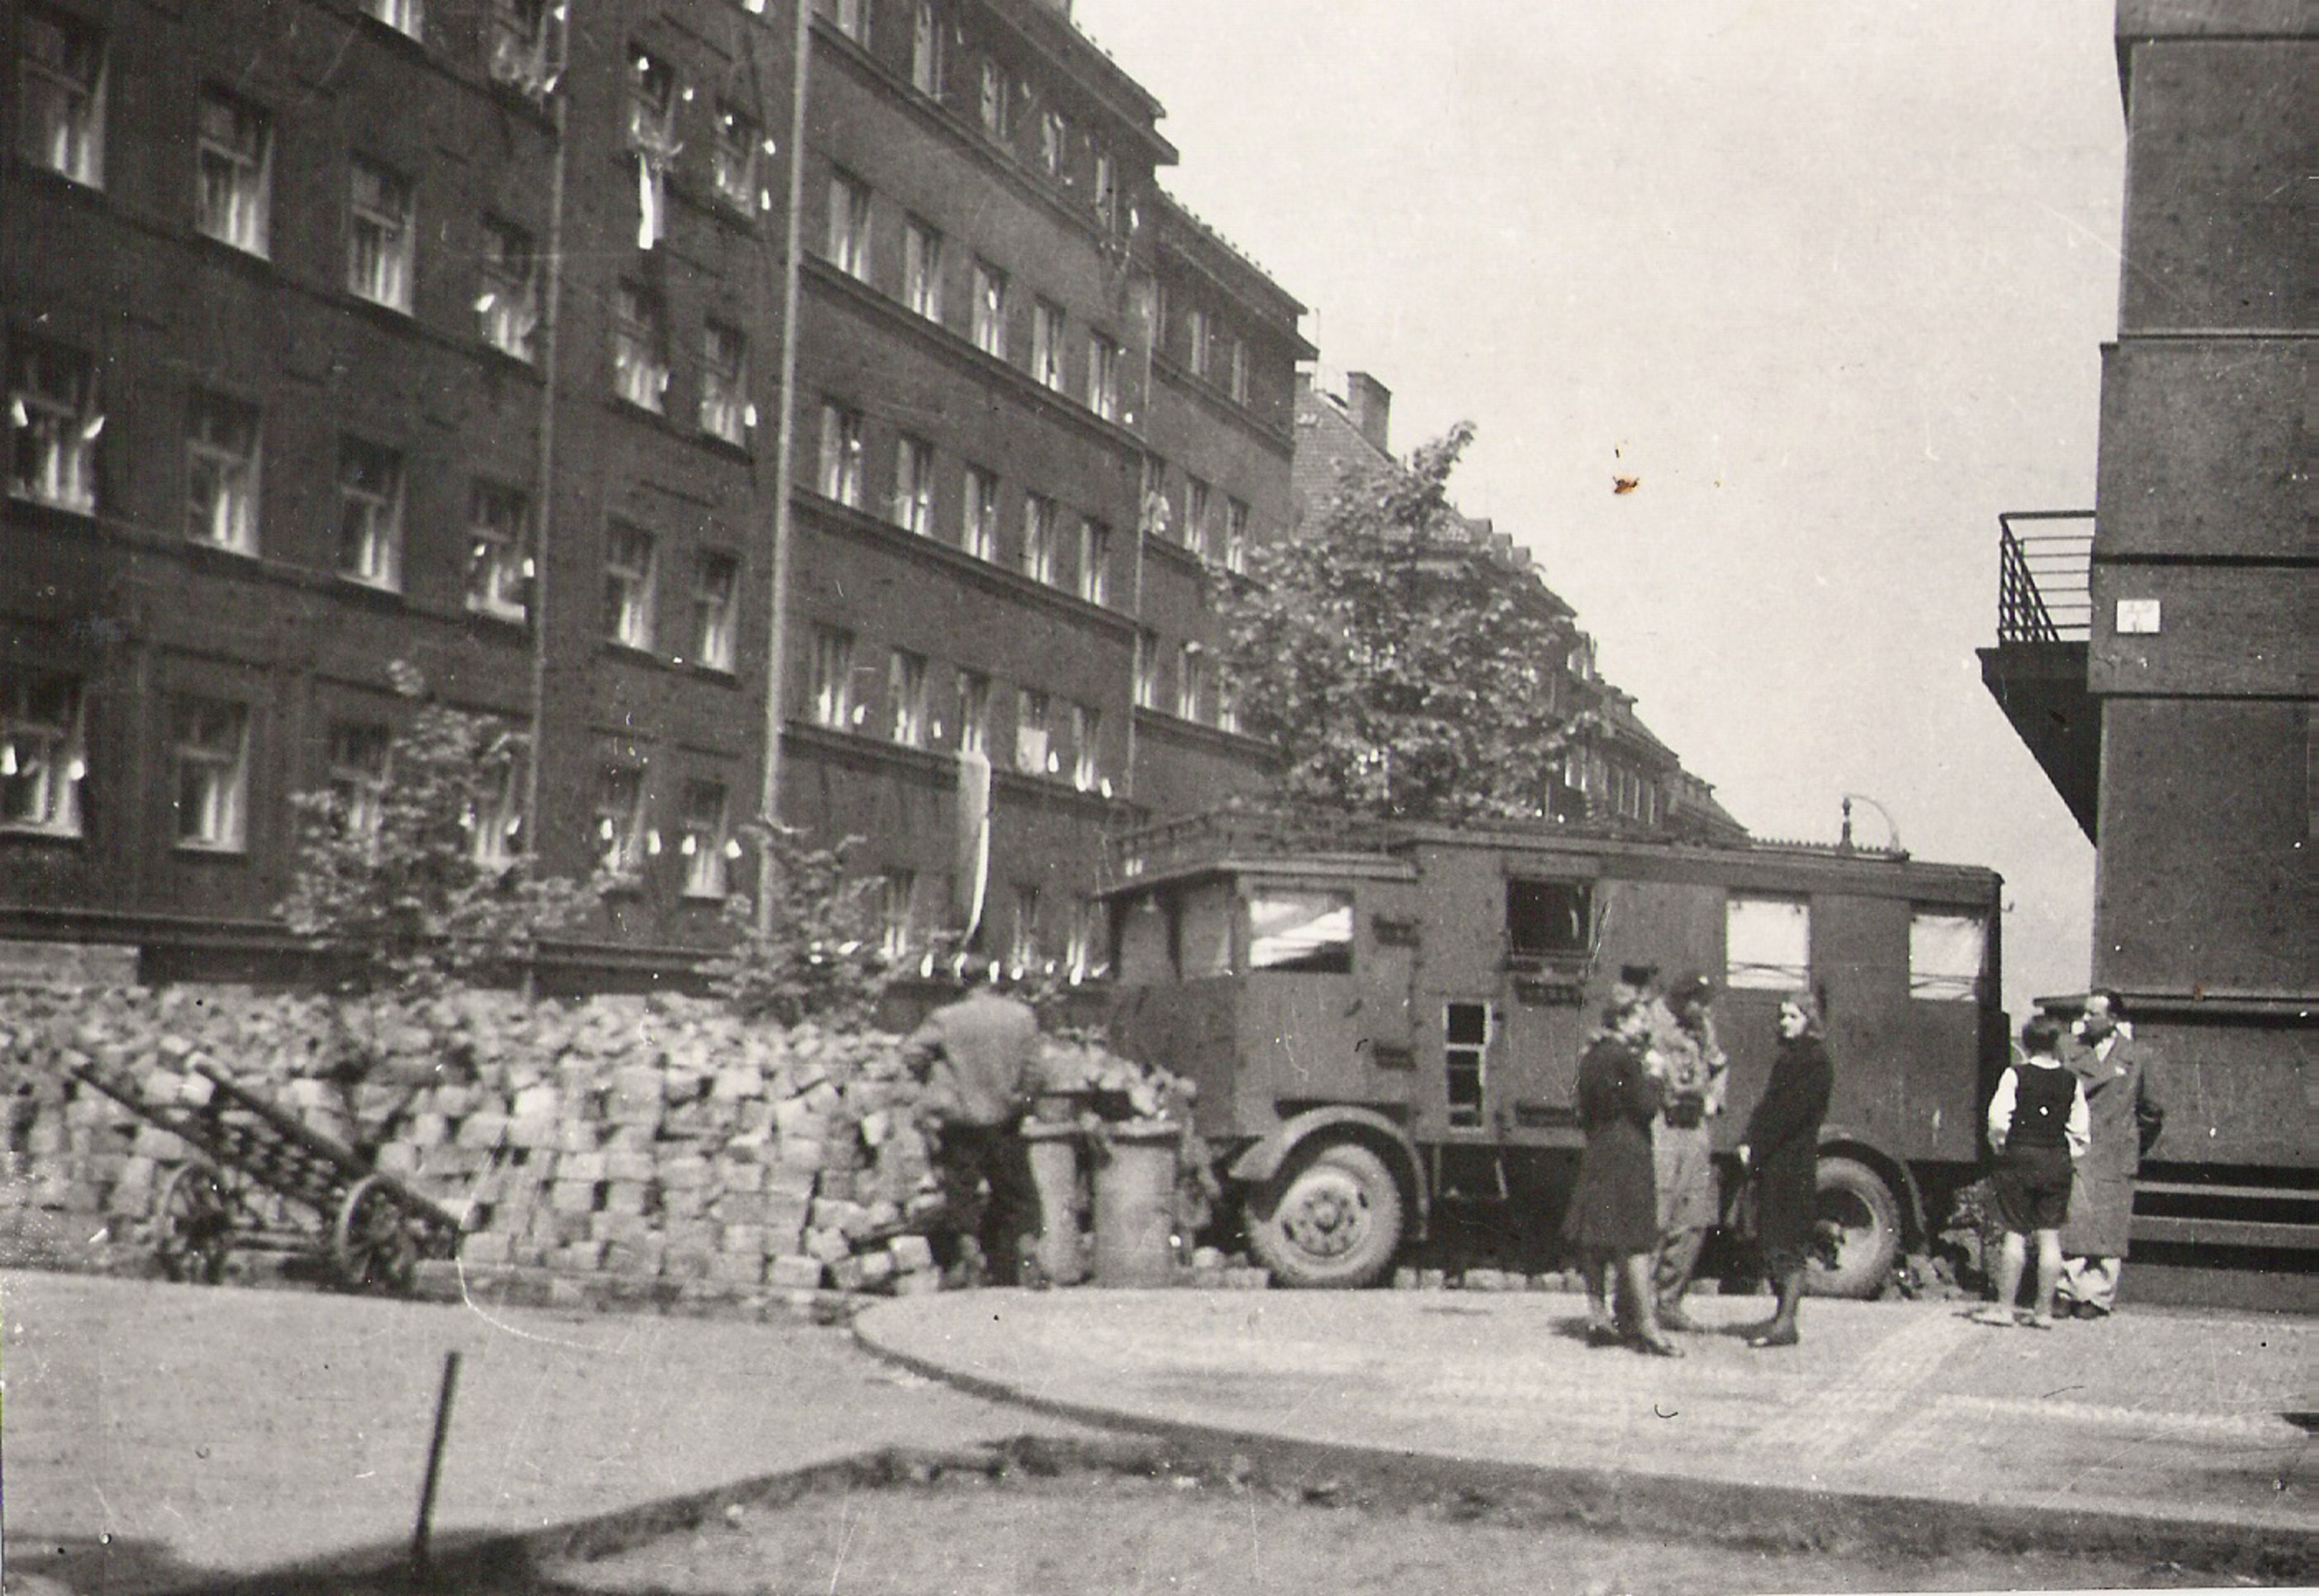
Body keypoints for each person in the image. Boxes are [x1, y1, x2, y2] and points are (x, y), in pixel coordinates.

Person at [902, 966, 1042, 1287]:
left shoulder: (946, 1018)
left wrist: (936, 1078)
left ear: (961, 984)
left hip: (961, 1119)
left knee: (962, 1192)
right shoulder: (1021, 1016)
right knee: (1018, 1193)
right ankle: (1027, 1256)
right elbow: (1035, 1070)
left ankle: (971, 1258)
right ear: (992, 982)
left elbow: (911, 1053)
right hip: (1006, 1118)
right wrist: (1021, 1099)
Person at [1563, 995, 1680, 1356]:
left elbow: (1580, 1110)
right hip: (1628, 1153)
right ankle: (1647, 1326)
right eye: (1640, 1018)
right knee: (1636, 1240)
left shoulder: (1591, 1057)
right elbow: (1645, 1108)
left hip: (1599, 1148)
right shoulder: (1626, 1060)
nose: (1645, 1025)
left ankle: (1598, 1317)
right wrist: (1656, 1076)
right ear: (1623, 1019)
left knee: (1595, 1237)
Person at [1973, 1015, 2090, 1329]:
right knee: (2050, 1237)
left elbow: (1998, 1120)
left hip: (2020, 1158)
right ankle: (2043, 1312)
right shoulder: (2071, 1080)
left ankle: (2005, 1309)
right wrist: (2065, 1154)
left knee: (2015, 1233)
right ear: (2056, 1043)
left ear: (2026, 1042)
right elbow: (2080, 1129)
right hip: (2056, 1159)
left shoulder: (2015, 1074)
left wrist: (2000, 1146)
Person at [1734, 991, 1833, 1349]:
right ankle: (1781, 1318)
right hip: (1775, 1163)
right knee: (1773, 1239)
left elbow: (1788, 1115)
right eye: (1782, 1016)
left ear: (1810, 1020)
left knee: (1788, 1242)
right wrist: (1748, 1139)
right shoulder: (1789, 1059)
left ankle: (1787, 1321)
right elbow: (1766, 1108)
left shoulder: (1815, 1062)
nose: (1785, 1023)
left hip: (1792, 1164)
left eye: (1793, 1016)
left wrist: (1756, 1145)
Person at [2057, 991, 2162, 1319]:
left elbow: (2152, 1110)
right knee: (2072, 1220)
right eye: (2084, 1013)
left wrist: (2130, 1140)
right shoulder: (2068, 1049)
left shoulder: (2137, 1056)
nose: (2085, 1019)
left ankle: (2097, 1296)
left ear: (2114, 1019)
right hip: (2076, 1146)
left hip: (2115, 1151)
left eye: (2093, 1014)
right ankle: (2065, 1289)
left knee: (2108, 1225)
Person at [1648, 973, 1729, 1331]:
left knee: (1692, 1218)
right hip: (1661, 1126)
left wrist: (1714, 1099)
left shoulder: (1703, 1026)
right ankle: (1636, 1305)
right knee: (1656, 1216)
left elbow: (1719, 1065)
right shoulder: (1652, 1020)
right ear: (1684, 998)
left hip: (1694, 1128)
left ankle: (1669, 1301)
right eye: (1701, 1002)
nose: (1706, 1009)